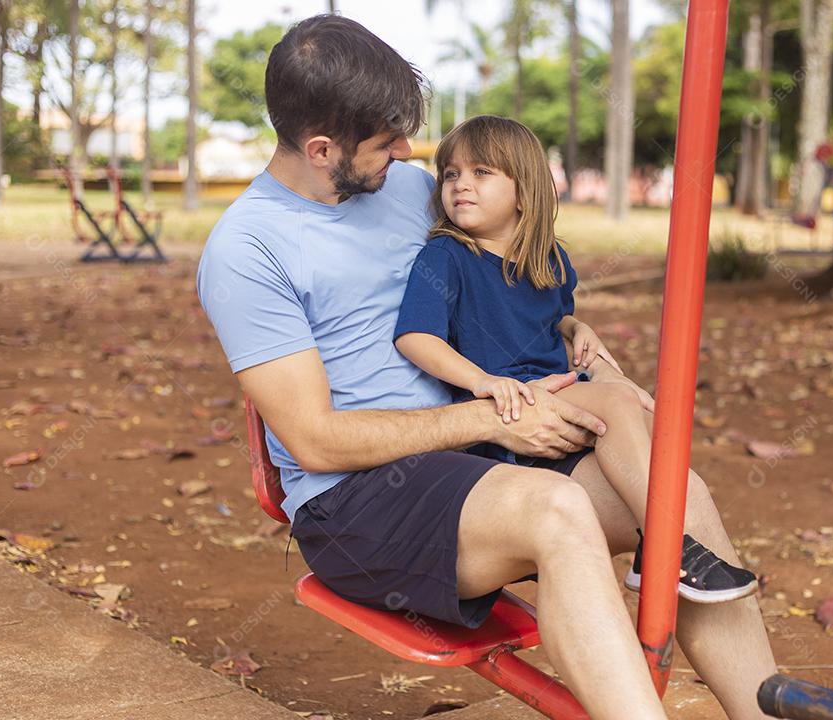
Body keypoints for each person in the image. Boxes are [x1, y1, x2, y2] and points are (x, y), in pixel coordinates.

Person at [196, 15, 777, 720]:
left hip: (481, 454)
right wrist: (492, 411)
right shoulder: (247, 251)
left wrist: (570, 327)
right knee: (556, 510)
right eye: (386, 142)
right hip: (355, 502)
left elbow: (511, 278)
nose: (411, 154)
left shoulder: (410, 192)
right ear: (322, 149)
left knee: (677, 492)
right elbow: (316, 440)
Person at [394, 115, 758, 604]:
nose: (460, 184)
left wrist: (575, 327)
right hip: (513, 409)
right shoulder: (447, 256)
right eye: (451, 174)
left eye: (482, 173)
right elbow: (416, 336)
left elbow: (551, 314)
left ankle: (647, 561)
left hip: (558, 389)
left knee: (640, 410)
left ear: (524, 191)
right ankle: (666, 549)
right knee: (616, 399)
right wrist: (480, 380)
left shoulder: (548, 258)